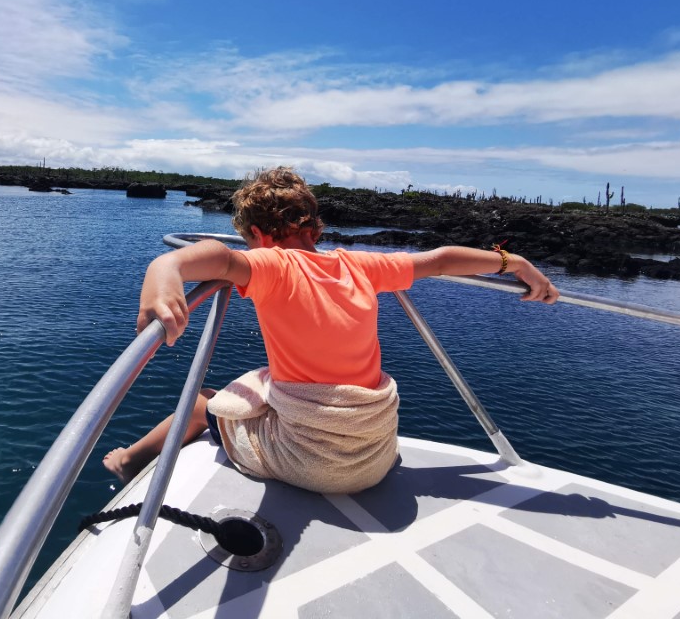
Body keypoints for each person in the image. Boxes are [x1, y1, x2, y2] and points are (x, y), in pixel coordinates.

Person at [103, 167, 558, 493]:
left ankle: (127, 461)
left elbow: (219, 260)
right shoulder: (360, 265)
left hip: (311, 463)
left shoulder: (272, 263)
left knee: (203, 401)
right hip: (374, 455)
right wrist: (513, 261)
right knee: (263, 379)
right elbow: (439, 260)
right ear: (314, 228)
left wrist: (165, 267)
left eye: (247, 241)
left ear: (259, 235)